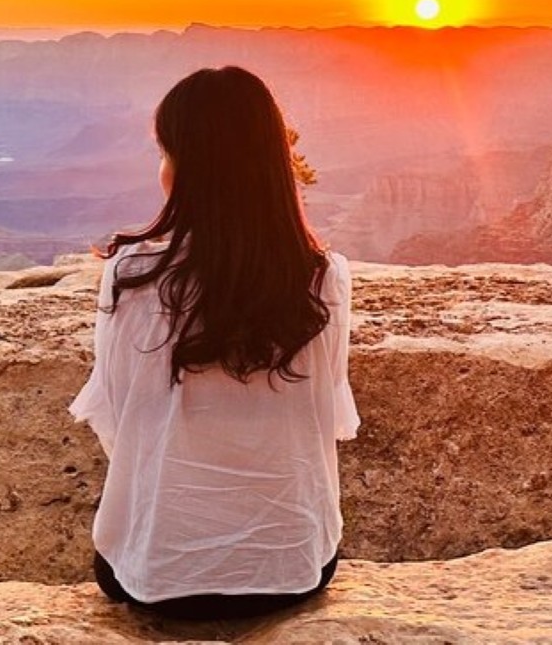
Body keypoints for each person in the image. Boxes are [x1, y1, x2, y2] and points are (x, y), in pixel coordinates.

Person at [69, 65, 358, 621]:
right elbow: (330, 417)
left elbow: (117, 415)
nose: (162, 168)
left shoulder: (132, 274)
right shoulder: (324, 277)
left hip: (156, 575)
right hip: (292, 568)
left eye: (166, 152)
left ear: (188, 166)